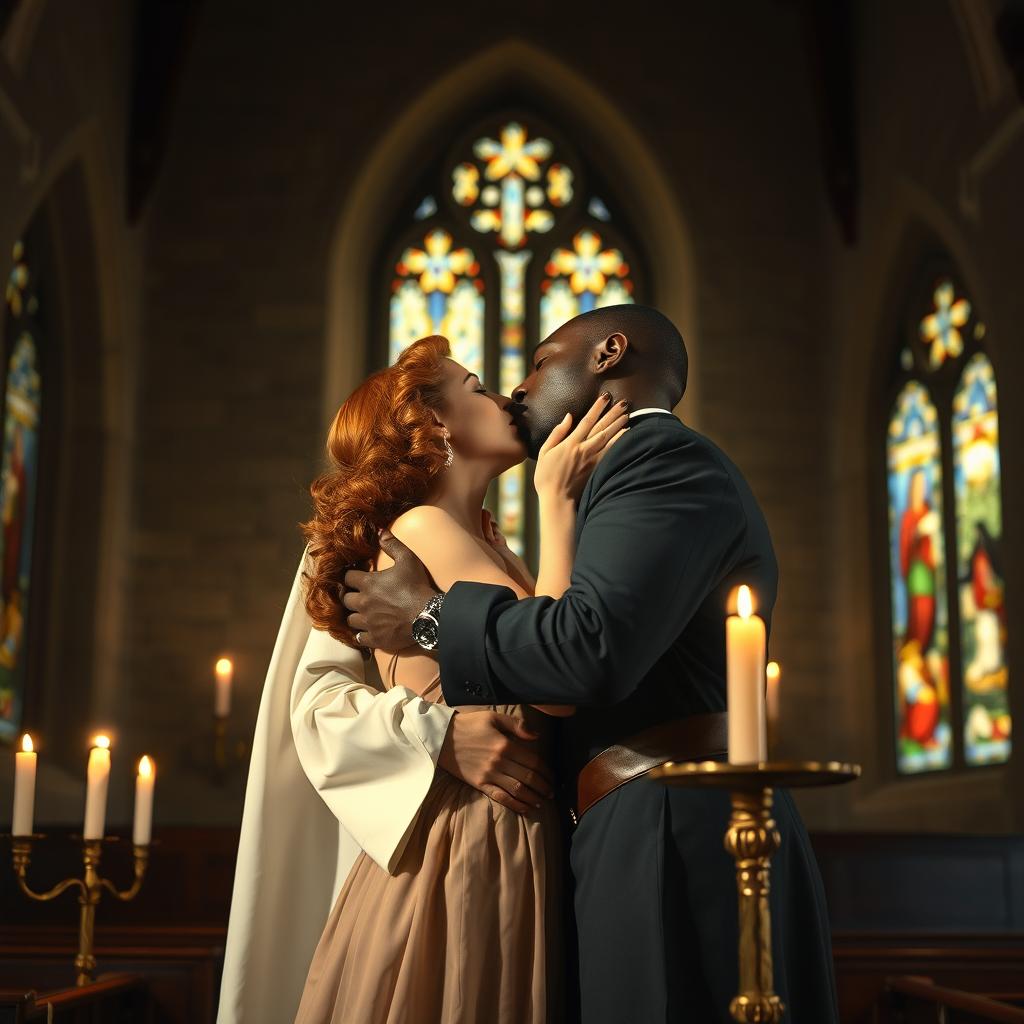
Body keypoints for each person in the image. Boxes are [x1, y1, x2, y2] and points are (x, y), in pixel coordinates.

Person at [342, 305, 841, 1023]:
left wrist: (428, 618)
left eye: (539, 363)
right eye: (486, 383)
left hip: (669, 821)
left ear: (608, 354)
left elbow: (583, 650)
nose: (517, 389)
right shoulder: (576, 491)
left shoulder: (656, 459)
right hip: (595, 822)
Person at [289, 334, 627, 1023]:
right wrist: (557, 501)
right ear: (434, 421)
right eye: (477, 387)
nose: (505, 397)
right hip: (468, 843)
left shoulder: (482, 541)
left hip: (503, 828)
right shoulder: (421, 527)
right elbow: (554, 682)